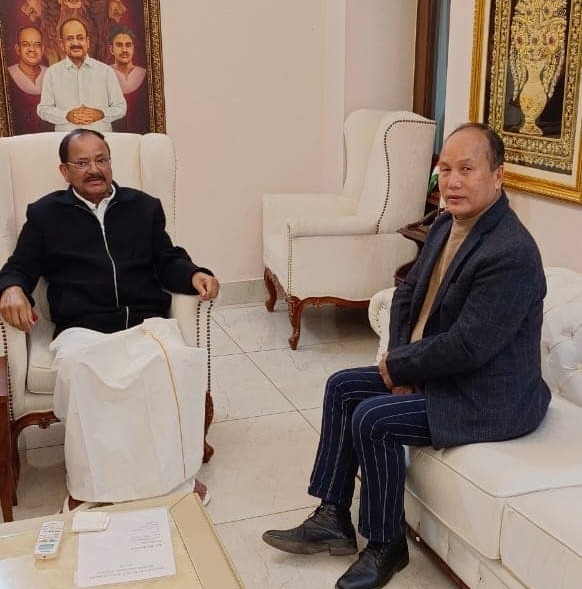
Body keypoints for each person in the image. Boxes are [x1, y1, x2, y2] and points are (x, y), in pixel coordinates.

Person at [261, 123, 551, 589]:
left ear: (498, 175)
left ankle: (386, 544)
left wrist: (400, 367)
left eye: (467, 169)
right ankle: (333, 517)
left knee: (373, 419)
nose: (452, 182)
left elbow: (469, 346)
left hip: (489, 395)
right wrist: (399, 360)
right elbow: (406, 294)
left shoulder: (510, 252)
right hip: (441, 371)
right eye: (445, 170)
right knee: (342, 387)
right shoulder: (446, 225)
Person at [0, 128, 219, 509]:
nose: (94, 169)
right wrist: (11, 288)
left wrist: (193, 274)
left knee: (173, 360)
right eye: (82, 162)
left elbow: (167, 258)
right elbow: (20, 265)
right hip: (83, 327)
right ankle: (92, 488)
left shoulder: (143, 207)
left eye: (101, 159)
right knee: (79, 371)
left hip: (144, 322)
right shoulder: (45, 215)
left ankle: (176, 478)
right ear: (64, 171)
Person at [37, 18, 126, 131]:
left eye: (80, 38)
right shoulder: (52, 73)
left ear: (87, 42)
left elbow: (121, 107)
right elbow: (43, 109)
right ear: (62, 44)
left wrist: (101, 113)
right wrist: (66, 116)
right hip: (67, 139)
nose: (75, 43)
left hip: (100, 139)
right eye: (69, 39)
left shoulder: (106, 72)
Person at [7, 26, 52, 135]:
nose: (32, 49)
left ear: (42, 49)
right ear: (18, 49)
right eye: (26, 44)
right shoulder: (7, 76)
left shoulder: (52, 75)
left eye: (36, 45)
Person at [108, 25, 148, 133]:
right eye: (119, 45)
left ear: (133, 48)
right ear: (111, 49)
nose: (124, 50)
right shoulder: (104, 74)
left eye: (128, 45)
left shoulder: (145, 74)